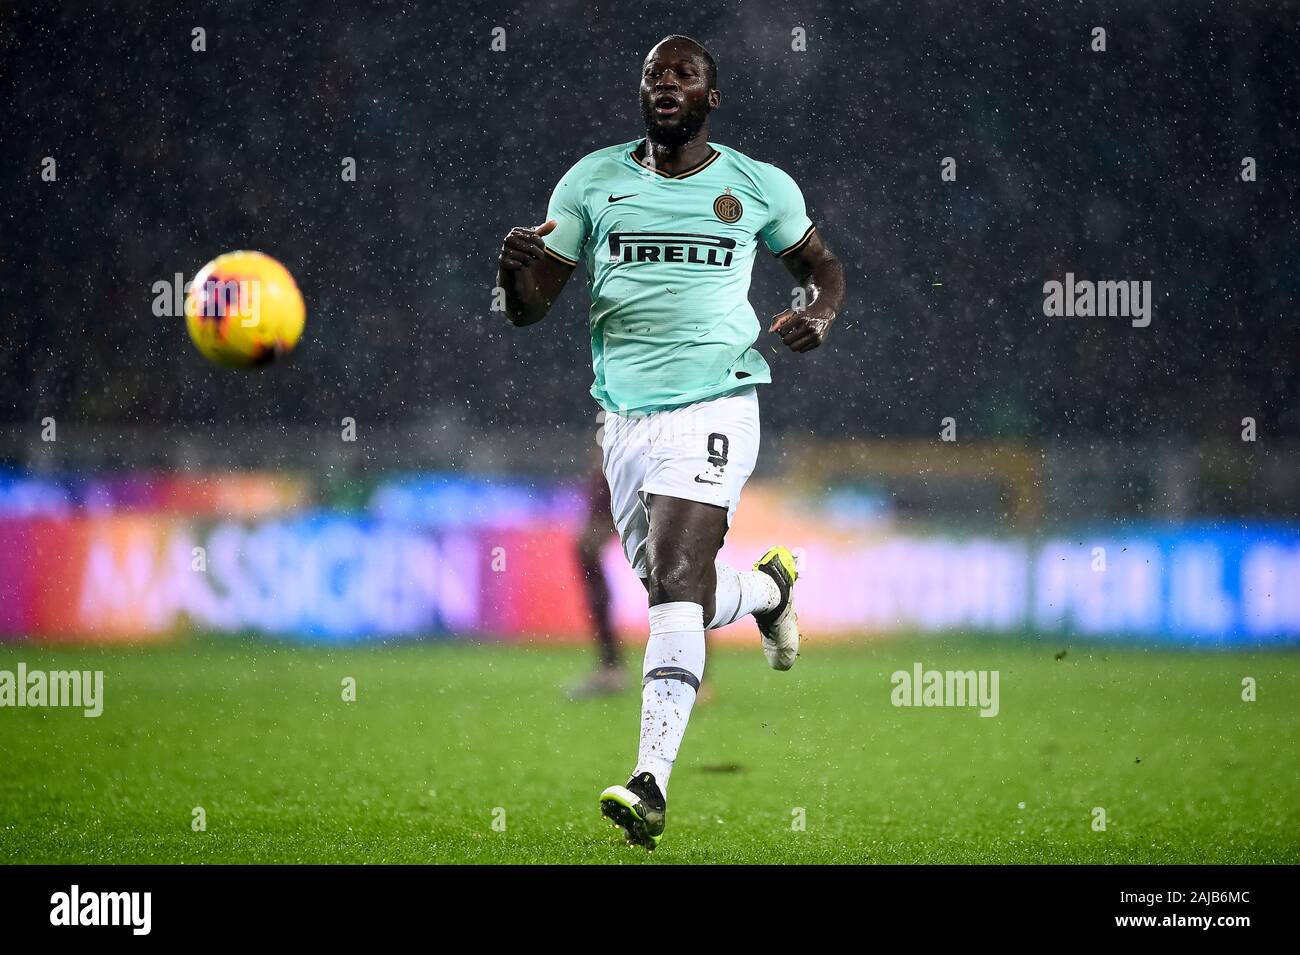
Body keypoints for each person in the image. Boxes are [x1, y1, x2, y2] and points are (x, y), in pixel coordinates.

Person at [496, 35, 845, 850]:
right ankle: (768, 592)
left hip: (718, 401)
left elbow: (823, 268)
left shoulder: (756, 186)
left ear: (710, 98)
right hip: (623, 417)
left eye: (684, 75)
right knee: (671, 588)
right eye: (654, 74)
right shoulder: (591, 181)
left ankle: (650, 780)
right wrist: (515, 271)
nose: (666, 84)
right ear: (640, 91)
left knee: (677, 575)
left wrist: (819, 316)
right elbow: (529, 309)